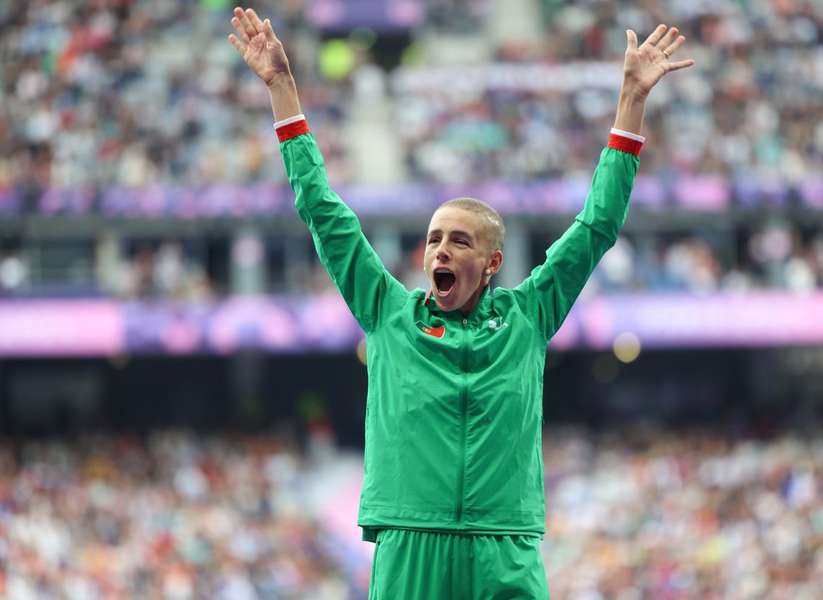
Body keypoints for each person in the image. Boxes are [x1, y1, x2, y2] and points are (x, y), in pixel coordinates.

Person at [228, 7, 693, 598]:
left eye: (459, 240)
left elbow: (595, 226)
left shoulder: (528, 317)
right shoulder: (389, 314)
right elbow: (325, 212)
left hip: (503, 543)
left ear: (492, 263)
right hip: (409, 538)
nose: (440, 250)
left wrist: (631, 101)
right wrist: (280, 87)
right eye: (433, 239)